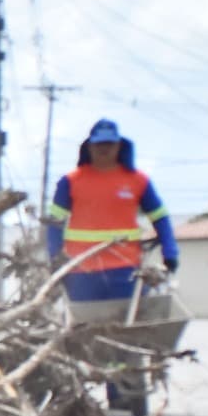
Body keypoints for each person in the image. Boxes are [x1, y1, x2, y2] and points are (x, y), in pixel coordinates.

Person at [46, 119, 178, 303]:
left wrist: (170, 252)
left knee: (128, 326)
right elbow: (53, 223)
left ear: (119, 146)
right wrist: (55, 258)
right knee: (84, 326)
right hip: (82, 271)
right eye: (99, 144)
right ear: (89, 147)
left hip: (125, 270)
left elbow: (160, 217)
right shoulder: (69, 182)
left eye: (109, 143)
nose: (104, 149)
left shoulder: (138, 181)